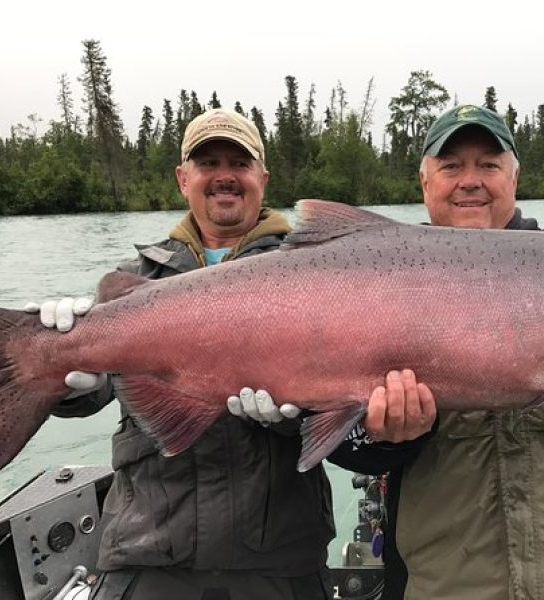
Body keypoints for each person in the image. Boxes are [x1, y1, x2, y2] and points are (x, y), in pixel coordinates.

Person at [251, 105, 544, 599]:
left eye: (489, 165)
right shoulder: (373, 279)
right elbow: (358, 457)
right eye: (451, 166)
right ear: (424, 181)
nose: (470, 181)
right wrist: (387, 437)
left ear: (514, 178)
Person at [28, 108, 352, 600]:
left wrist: (297, 414)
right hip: (148, 552)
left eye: (239, 164)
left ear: (262, 178)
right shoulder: (137, 279)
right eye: (208, 163)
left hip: (280, 557)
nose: (225, 176)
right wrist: (63, 377)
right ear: (183, 178)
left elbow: (343, 388)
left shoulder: (316, 272)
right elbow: (93, 395)